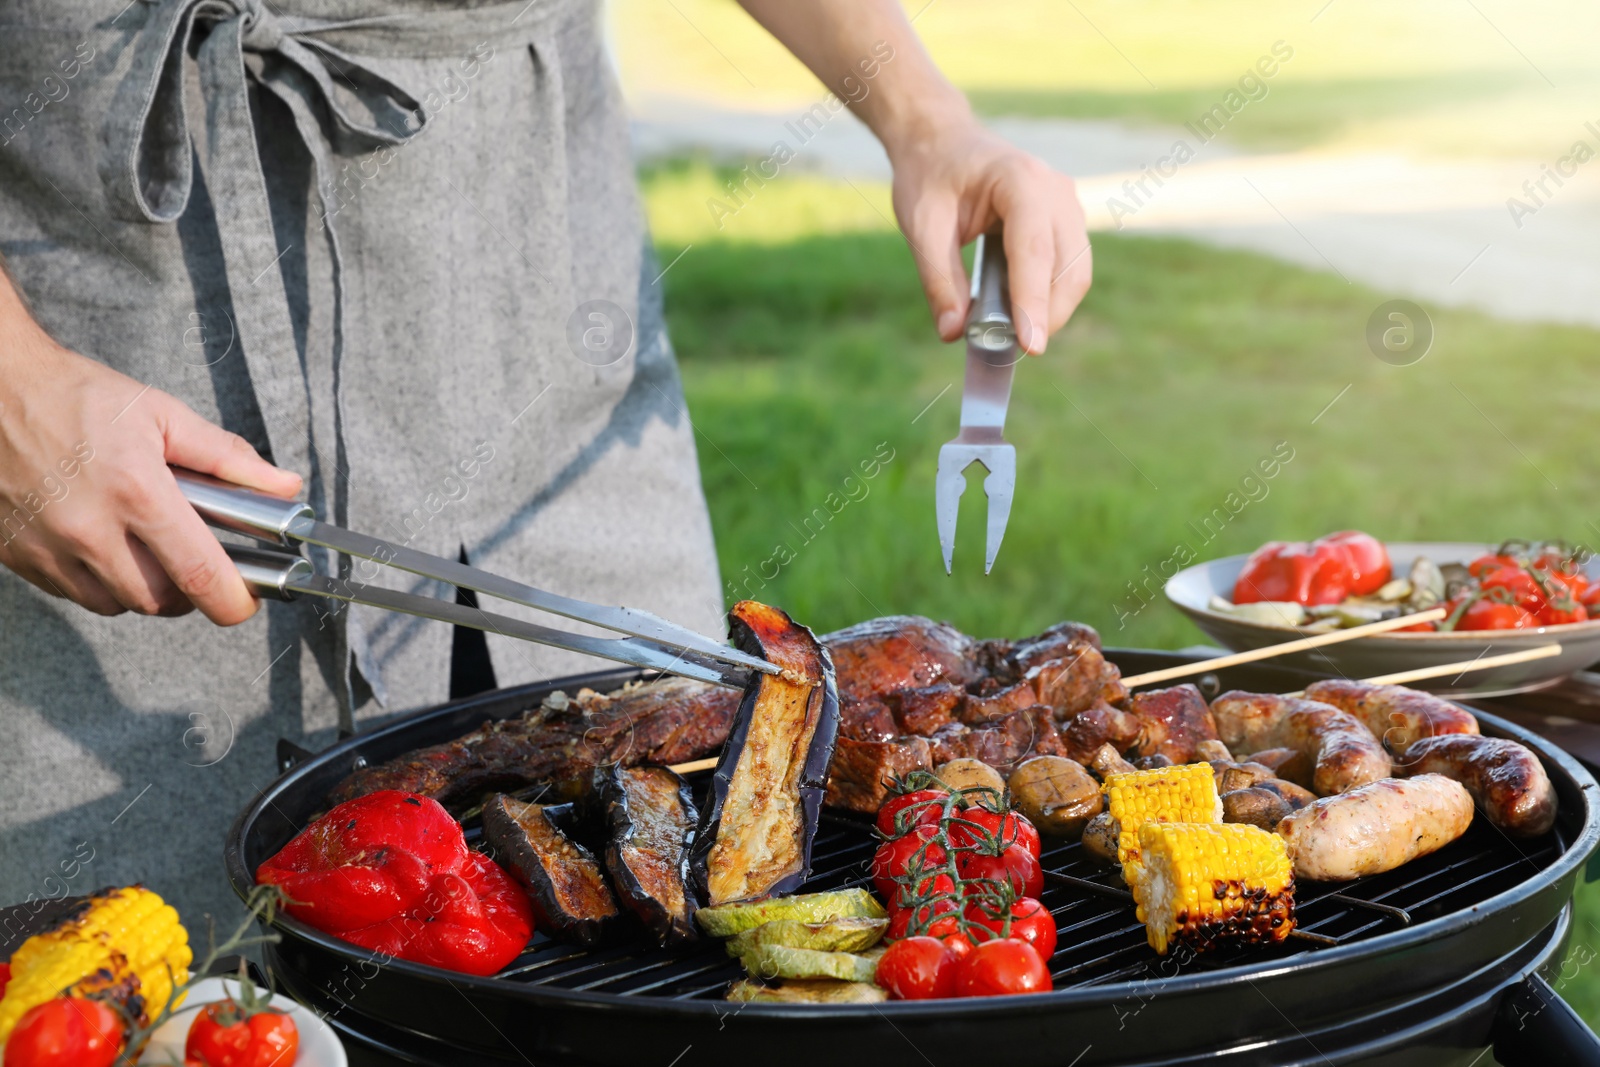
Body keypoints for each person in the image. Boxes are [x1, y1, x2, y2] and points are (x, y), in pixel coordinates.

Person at [0, 0, 1090, 929]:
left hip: (536, 282)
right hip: (101, 333)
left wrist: (923, 116)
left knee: (664, 907)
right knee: (121, 953)